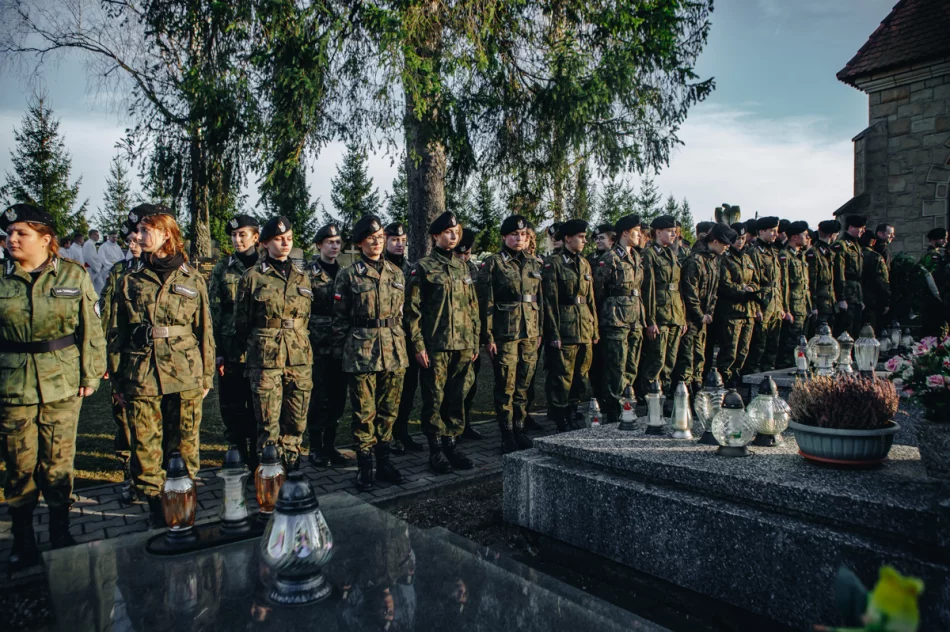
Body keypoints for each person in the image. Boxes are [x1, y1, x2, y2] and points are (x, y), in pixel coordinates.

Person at [0, 204, 106, 572]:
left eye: (21, 233)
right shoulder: (2, 278)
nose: (12, 239)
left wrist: (91, 375)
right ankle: (23, 538)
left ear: (46, 239)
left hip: (61, 381)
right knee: (19, 465)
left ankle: (60, 531)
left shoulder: (73, 276)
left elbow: (91, 330)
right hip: (12, 384)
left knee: (59, 461)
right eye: (9, 233)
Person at [108, 203, 214, 526]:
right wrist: (116, 381)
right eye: (137, 231)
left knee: (184, 444)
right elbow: (116, 332)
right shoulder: (129, 279)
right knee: (146, 448)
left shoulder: (192, 278)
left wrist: (207, 375)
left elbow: (204, 330)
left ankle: (183, 506)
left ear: (166, 233)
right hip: (142, 374)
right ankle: (156, 509)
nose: (138, 236)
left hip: (185, 374)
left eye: (145, 230)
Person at [332, 215, 409, 490]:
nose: (376, 243)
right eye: (370, 239)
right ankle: (365, 466)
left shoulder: (396, 273)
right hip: (361, 350)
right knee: (364, 412)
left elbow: (401, 313)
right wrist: (341, 353)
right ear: (360, 242)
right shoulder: (348, 275)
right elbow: (339, 319)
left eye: (379, 238)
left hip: (393, 349)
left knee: (389, 410)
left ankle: (384, 461)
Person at [234, 216, 313, 471]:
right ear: (265, 243)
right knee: (268, 421)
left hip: (299, 356)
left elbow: (306, 317)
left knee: (297, 417)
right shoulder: (252, 277)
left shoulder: (302, 277)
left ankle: (292, 461)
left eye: (288, 239)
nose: (285, 244)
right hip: (266, 357)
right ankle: (268, 470)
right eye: (279, 239)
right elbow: (242, 322)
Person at [405, 211, 479, 474]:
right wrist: (418, 345)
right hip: (436, 346)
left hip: (462, 346)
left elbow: (472, 307)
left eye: (456, 231)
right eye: (448, 232)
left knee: (457, 397)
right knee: (434, 398)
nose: (453, 236)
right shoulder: (423, 267)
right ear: (436, 236)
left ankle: (451, 444)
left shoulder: (463, 267)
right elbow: (412, 311)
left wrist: (474, 341)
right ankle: (436, 450)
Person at [478, 215, 544, 450]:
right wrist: (488, 337)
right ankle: (506, 433)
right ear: (504, 236)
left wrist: (539, 332)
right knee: (506, 385)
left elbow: (540, 301)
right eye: (514, 234)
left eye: (523, 235)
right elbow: (486, 302)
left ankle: (520, 427)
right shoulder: (493, 263)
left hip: (529, 332)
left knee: (523, 384)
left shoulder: (535, 263)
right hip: (505, 333)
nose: (519, 238)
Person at [208, 214, 261, 470]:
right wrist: (217, 350)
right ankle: (238, 450)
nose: (237, 240)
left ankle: (259, 453)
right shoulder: (223, 268)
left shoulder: (265, 265)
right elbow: (213, 310)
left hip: (260, 347)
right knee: (232, 402)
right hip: (231, 349)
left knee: (259, 401)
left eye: (242, 234)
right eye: (233, 235)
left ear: (255, 237)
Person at [98, 221, 142, 503]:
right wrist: (104, 355)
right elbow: (106, 313)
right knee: (124, 416)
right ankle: (129, 471)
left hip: (150, 357)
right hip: (122, 352)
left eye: (138, 235)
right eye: (130, 238)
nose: (134, 241)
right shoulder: (118, 272)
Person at [542, 219, 598, 431]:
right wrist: (554, 333)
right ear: (567, 238)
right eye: (580, 237)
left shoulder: (584, 263)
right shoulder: (553, 264)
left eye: (584, 237)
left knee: (580, 377)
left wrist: (594, 329)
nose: (584, 241)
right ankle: (561, 416)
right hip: (565, 329)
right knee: (562, 377)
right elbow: (549, 302)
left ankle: (573, 410)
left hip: (584, 327)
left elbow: (590, 299)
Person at [592, 214, 645, 423]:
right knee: (616, 367)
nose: (640, 235)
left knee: (631, 366)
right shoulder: (610, 258)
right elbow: (598, 291)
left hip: (634, 319)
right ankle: (613, 410)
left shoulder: (636, 257)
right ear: (625, 233)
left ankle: (627, 404)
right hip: (615, 320)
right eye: (637, 232)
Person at [306, 223, 351, 468]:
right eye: (329, 242)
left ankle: (330, 445)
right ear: (319, 245)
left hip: (342, 344)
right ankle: (315, 447)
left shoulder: (345, 273)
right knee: (318, 396)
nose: (334, 246)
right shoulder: (307, 274)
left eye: (337, 242)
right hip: (317, 344)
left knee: (337, 397)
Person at [673, 223, 734, 392]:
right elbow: (689, 292)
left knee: (699, 357)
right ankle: (685, 394)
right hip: (691, 318)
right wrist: (701, 315)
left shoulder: (714, 261)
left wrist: (709, 313)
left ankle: (697, 389)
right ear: (715, 241)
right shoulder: (695, 260)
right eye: (724, 244)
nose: (726, 248)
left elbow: (713, 291)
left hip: (702, 319)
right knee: (687, 359)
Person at [387, 222, 425, 454]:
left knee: (408, 389)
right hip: (387, 339)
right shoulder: (379, 267)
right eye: (394, 240)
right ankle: (387, 436)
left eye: (403, 240)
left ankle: (402, 431)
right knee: (390, 391)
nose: (400, 244)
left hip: (409, 338)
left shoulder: (412, 268)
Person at [641, 215, 686, 395]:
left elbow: (678, 288)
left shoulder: (671, 254)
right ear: (658, 232)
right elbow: (648, 289)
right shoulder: (650, 254)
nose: (673, 234)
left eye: (674, 231)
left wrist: (682, 317)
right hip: (660, 314)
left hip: (674, 314)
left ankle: (664, 393)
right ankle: (651, 396)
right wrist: (651, 320)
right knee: (656, 360)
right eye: (669, 231)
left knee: (670, 361)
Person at [716, 222, 760, 386]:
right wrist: (743, 288)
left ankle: (735, 378)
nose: (739, 242)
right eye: (736, 238)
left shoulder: (748, 258)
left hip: (747, 311)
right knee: (730, 350)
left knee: (743, 351)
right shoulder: (725, 258)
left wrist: (751, 289)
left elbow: (756, 281)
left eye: (742, 238)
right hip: (732, 311)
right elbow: (724, 284)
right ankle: (724, 381)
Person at [745, 216, 787, 373]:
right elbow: (753, 281)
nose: (775, 234)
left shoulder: (774, 252)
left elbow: (779, 282)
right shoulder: (754, 252)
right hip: (762, 302)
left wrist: (781, 306)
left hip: (775, 303)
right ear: (761, 231)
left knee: (773, 344)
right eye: (772, 231)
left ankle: (768, 374)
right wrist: (756, 308)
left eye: (776, 231)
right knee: (758, 344)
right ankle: (753, 377)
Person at [454, 228, 483, 440]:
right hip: (452, 336)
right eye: (459, 254)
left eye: (467, 253)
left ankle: (466, 422)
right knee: (453, 386)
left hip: (472, 336)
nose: (464, 257)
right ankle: (452, 428)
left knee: (471, 382)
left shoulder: (474, 270)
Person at [778, 221, 812, 367]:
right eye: (804, 235)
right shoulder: (785, 256)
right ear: (794, 237)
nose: (807, 237)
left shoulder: (800, 256)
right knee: (790, 343)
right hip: (793, 306)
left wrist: (809, 306)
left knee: (800, 341)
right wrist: (786, 309)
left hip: (802, 305)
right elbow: (784, 285)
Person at [832, 215, 866, 336]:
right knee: (845, 330)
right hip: (846, 293)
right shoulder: (841, 245)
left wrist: (861, 299)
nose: (863, 231)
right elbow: (839, 273)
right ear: (851, 227)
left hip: (856, 294)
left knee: (856, 329)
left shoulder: (856, 246)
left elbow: (859, 275)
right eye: (860, 228)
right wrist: (841, 298)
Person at [807, 220, 841, 338]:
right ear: (832, 235)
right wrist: (813, 306)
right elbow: (812, 281)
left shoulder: (829, 253)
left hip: (829, 303)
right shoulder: (814, 253)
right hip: (820, 304)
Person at [919, 227, 947, 338]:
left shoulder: (930, 254)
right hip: (932, 295)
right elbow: (933, 276)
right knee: (934, 326)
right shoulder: (933, 255)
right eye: (943, 239)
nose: (945, 241)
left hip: (929, 296)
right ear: (934, 240)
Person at [861, 231, 890, 333]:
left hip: (855, 297)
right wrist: (887, 301)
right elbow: (883, 281)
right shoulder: (875, 257)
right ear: (873, 242)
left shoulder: (856, 254)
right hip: (872, 299)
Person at [83, 229, 104, 293]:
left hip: (94, 268)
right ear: (92, 235)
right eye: (96, 235)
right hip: (91, 269)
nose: (98, 237)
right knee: (92, 287)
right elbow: (89, 258)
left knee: (100, 286)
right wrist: (98, 266)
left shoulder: (91, 244)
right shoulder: (89, 244)